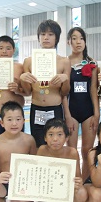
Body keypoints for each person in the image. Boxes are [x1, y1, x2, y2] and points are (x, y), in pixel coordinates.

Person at [20, 19, 71, 148]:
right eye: (43, 34)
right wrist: (23, 79)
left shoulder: (64, 62)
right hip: (36, 108)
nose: (46, 38)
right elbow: (27, 92)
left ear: (57, 38)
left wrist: (65, 79)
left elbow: (65, 92)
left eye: (50, 34)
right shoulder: (28, 61)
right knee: (38, 147)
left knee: (55, 147)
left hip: (55, 108)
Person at [0, 101, 37, 202]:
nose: (14, 123)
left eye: (18, 119)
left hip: (22, 183)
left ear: (23, 121)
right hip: (3, 183)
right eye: (9, 119)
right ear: (1, 122)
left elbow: (36, 164)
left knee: (18, 199)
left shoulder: (29, 140)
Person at [62, 27, 99, 181]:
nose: (78, 42)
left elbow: (93, 91)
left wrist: (97, 113)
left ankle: (85, 182)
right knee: (71, 150)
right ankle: (73, 182)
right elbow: (63, 93)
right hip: (72, 111)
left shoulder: (91, 63)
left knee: (87, 150)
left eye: (81, 38)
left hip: (88, 111)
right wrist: (67, 116)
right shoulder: (65, 62)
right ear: (68, 41)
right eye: (74, 38)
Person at [37, 118, 88, 202]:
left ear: (67, 138)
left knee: (81, 193)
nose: (55, 139)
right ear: (45, 138)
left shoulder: (72, 153)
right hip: (48, 187)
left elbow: (78, 176)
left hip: (65, 186)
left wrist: (78, 182)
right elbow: (37, 173)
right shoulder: (42, 150)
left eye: (60, 134)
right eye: (50, 135)